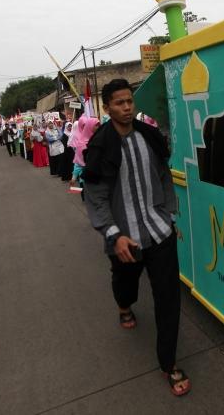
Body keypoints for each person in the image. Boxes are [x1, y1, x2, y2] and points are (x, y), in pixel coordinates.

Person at [83, 78, 190, 397]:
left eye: (130, 101)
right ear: (107, 107)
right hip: (124, 239)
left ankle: (168, 363)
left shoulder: (150, 137)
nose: (127, 107)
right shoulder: (100, 147)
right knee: (125, 286)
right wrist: (113, 235)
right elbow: (96, 196)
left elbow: (163, 176)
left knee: (168, 297)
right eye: (119, 102)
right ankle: (124, 306)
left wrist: (170, 216)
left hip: (159, 232)